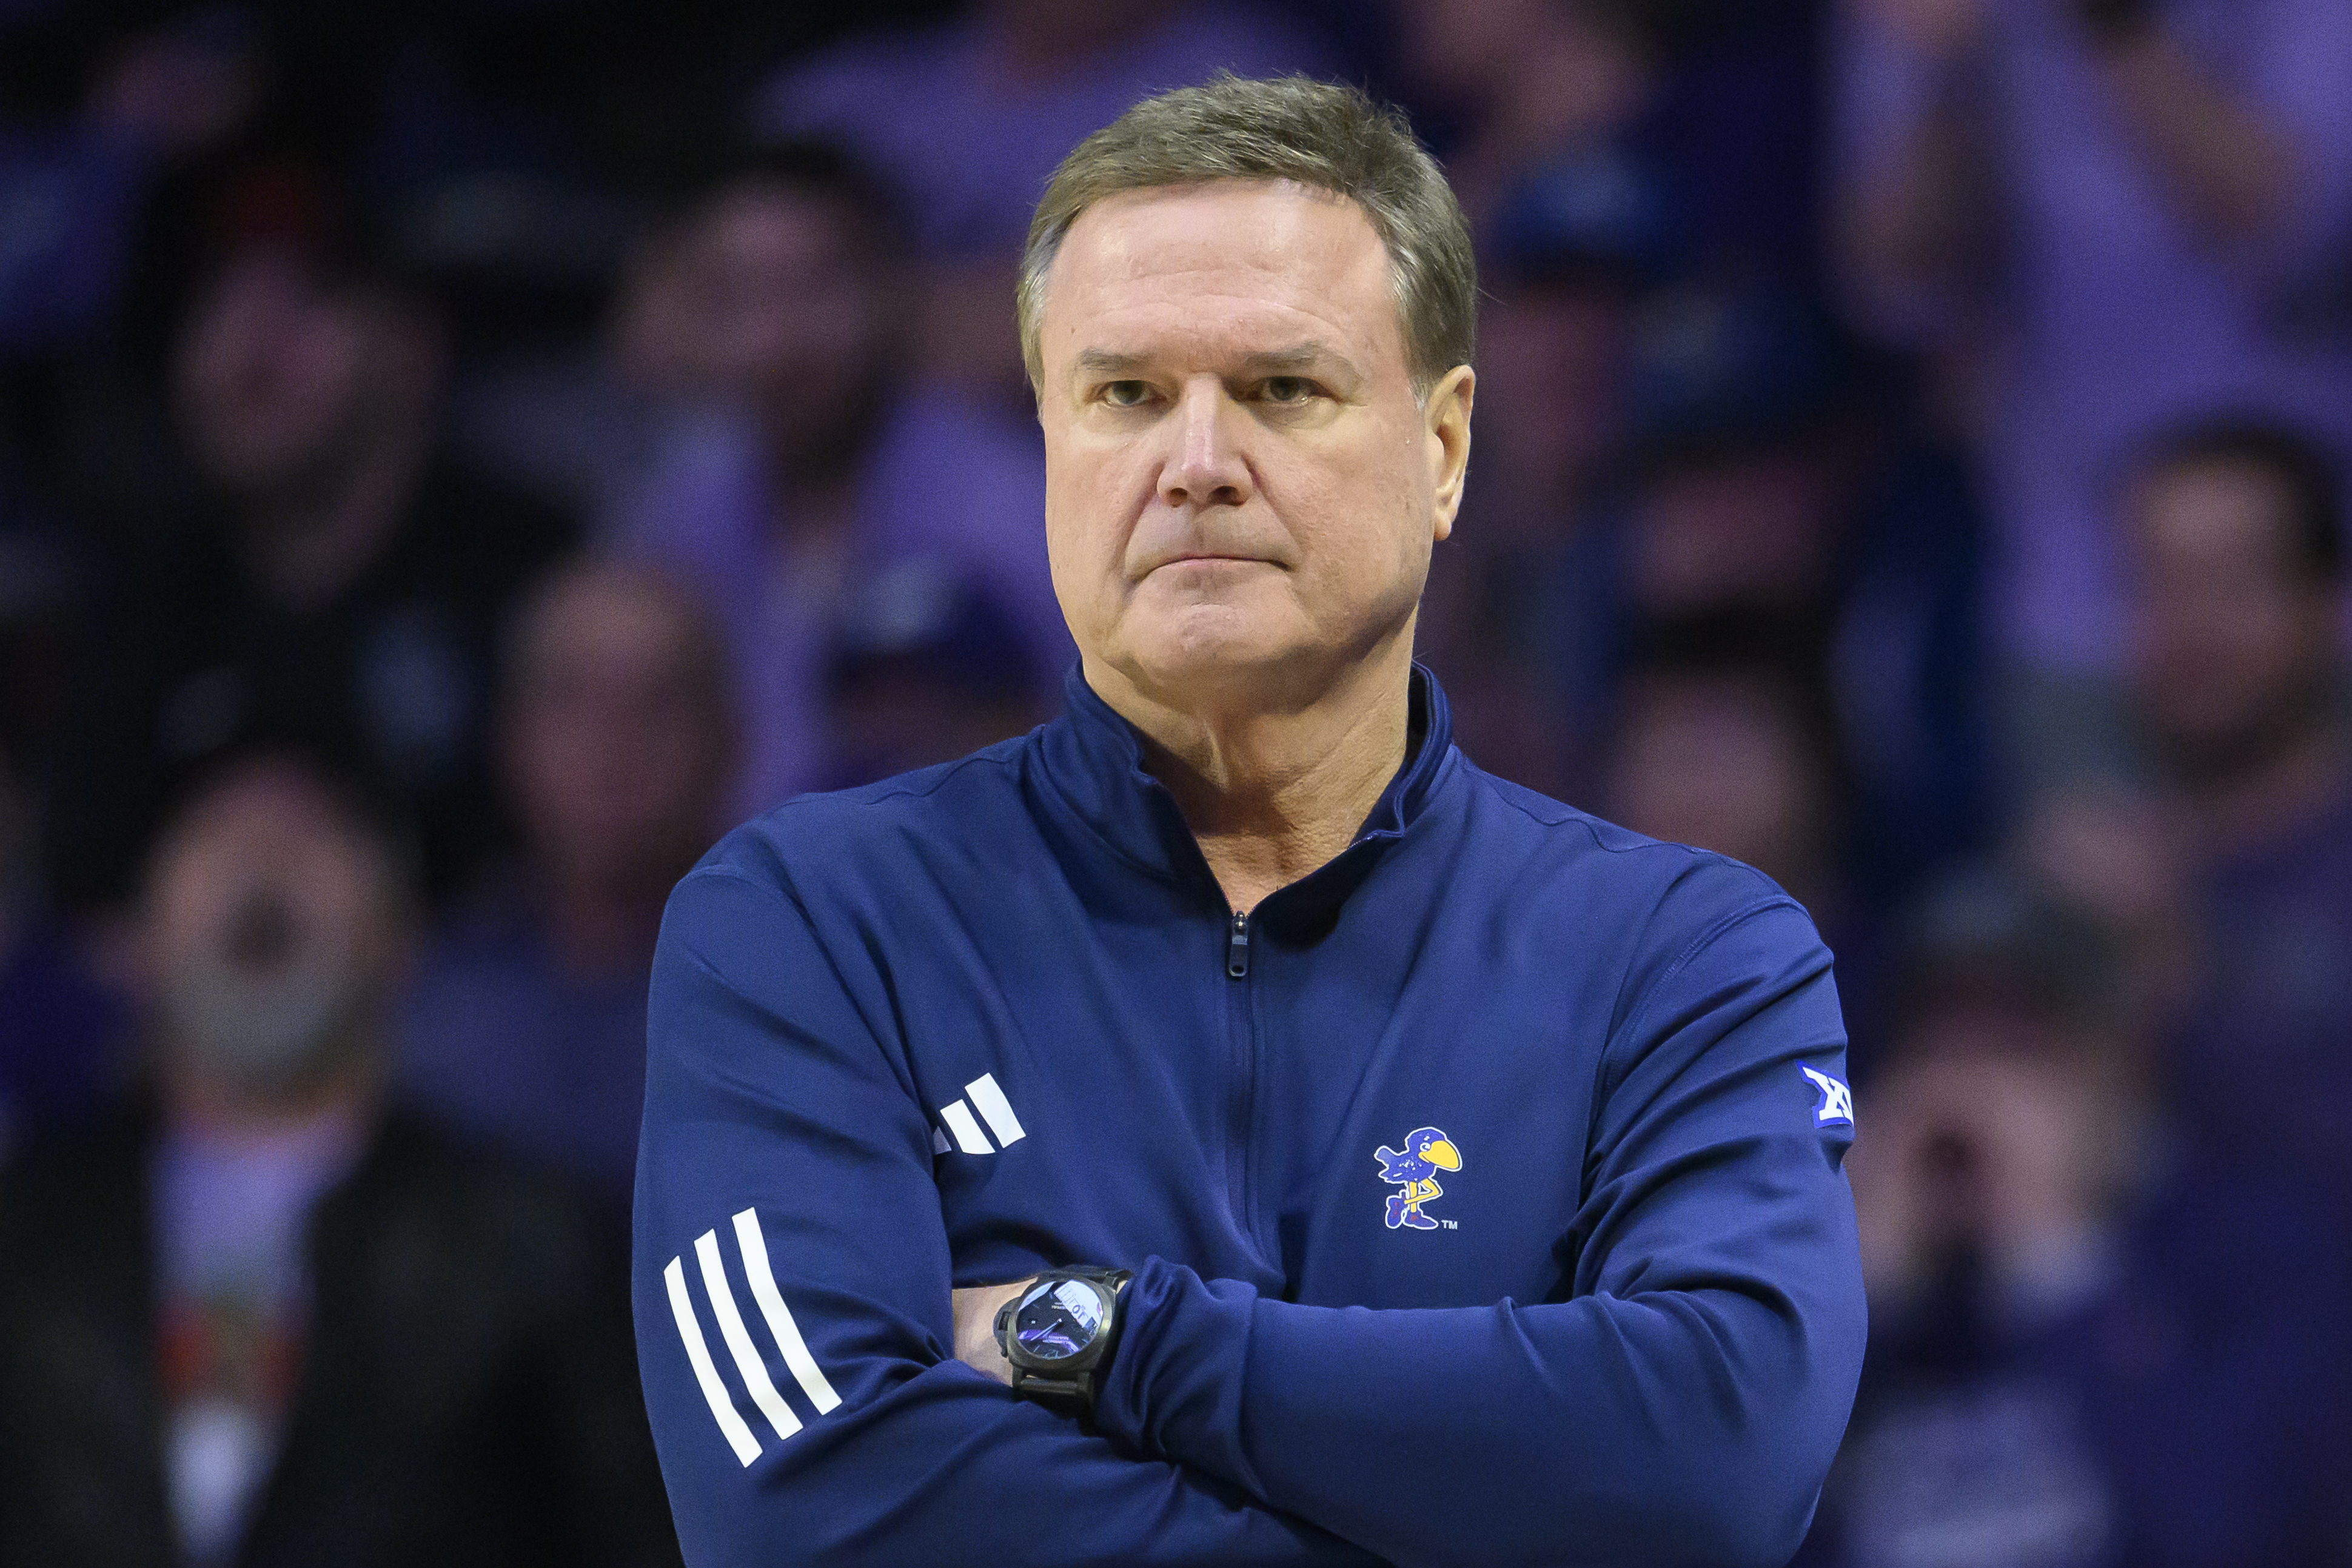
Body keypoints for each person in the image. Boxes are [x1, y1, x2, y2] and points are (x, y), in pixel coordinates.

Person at [634, 75, 1865, 1567]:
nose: (1195, 461)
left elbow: (1718, 1455)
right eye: (1123, 395)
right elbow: (804, 1509)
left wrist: (1108, 1337)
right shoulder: (812, 922)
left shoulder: (1687, 957)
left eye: (1283, 389)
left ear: (1446, 449)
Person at [0, 752, 681, 1566]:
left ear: (401, 937)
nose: (261, 867)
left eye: (305, 838)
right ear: (137, 936)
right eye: (218, 838)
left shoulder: (538, 1241)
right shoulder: (26, 1231)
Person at [1829, 0, 2352, 778]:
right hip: (2071, 588)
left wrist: (2115, 28)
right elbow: (1895, 282)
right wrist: (1949, 80)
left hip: (2303, 582)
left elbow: (2300, 236)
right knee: (2084, 879)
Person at [42, 158, 577, 911]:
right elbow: (82, 903)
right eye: (210, 305)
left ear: (413, 348)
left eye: (305, 298)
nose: (248, 348)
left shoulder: (529, 570)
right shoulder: (139, 595)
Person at [1801, 869, 2352, 1567]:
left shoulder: (2265, 1248)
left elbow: (2234, 1537)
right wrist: (1859, 1309)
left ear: (2124, 1070)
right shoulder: (1888, 1284)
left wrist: (2056, 1261)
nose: (1969, 1092)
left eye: (2020, 1050)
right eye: (1939, 1052)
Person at [609, 143, 1068, 818]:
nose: (775, 342)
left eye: (818, 288)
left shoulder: (1018, 508)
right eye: (736, 299)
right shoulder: (679, 513)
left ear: (897, 291)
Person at [397, 560, 734, 1203]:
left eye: (659, 704)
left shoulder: (805, 1004)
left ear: (729, 741)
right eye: (573, 702)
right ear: (509, 740)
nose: (615, 746)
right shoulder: (428, 1000)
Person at [2116, 423, 2352, 1184]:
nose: (2190, 626)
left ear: (2328, 608)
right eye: (2158, 582)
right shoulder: (2088, 874)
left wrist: (2176, 977)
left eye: (2233, 583)